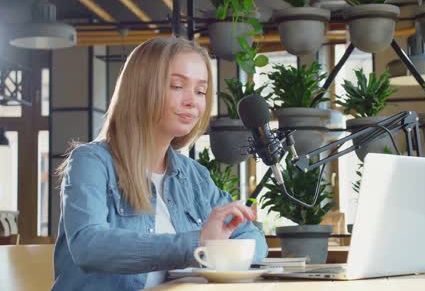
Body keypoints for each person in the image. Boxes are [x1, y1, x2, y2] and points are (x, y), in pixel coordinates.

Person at [52, 37, 268, 290]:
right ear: (140, 89)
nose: (193, 101)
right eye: (177, 86)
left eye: (200, 91)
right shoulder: (91, 162)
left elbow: (252, 238)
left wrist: (214, 256)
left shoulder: (194, 176)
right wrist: (198, 244)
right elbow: (89, 246)